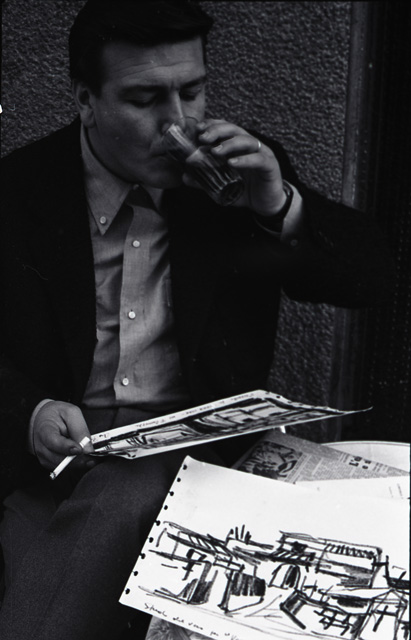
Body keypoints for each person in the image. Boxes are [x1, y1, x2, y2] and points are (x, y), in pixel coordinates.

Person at [0, 1, 391, 638]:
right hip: (59, 463)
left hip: (200, 463)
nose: (177, 122)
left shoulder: (235, 178)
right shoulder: (19, 191)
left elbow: (372, 280)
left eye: (193, 91)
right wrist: (32, 412)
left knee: (123, 499)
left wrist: (277, 204)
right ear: (85, 100)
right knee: (51, 551)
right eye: (145, 99)